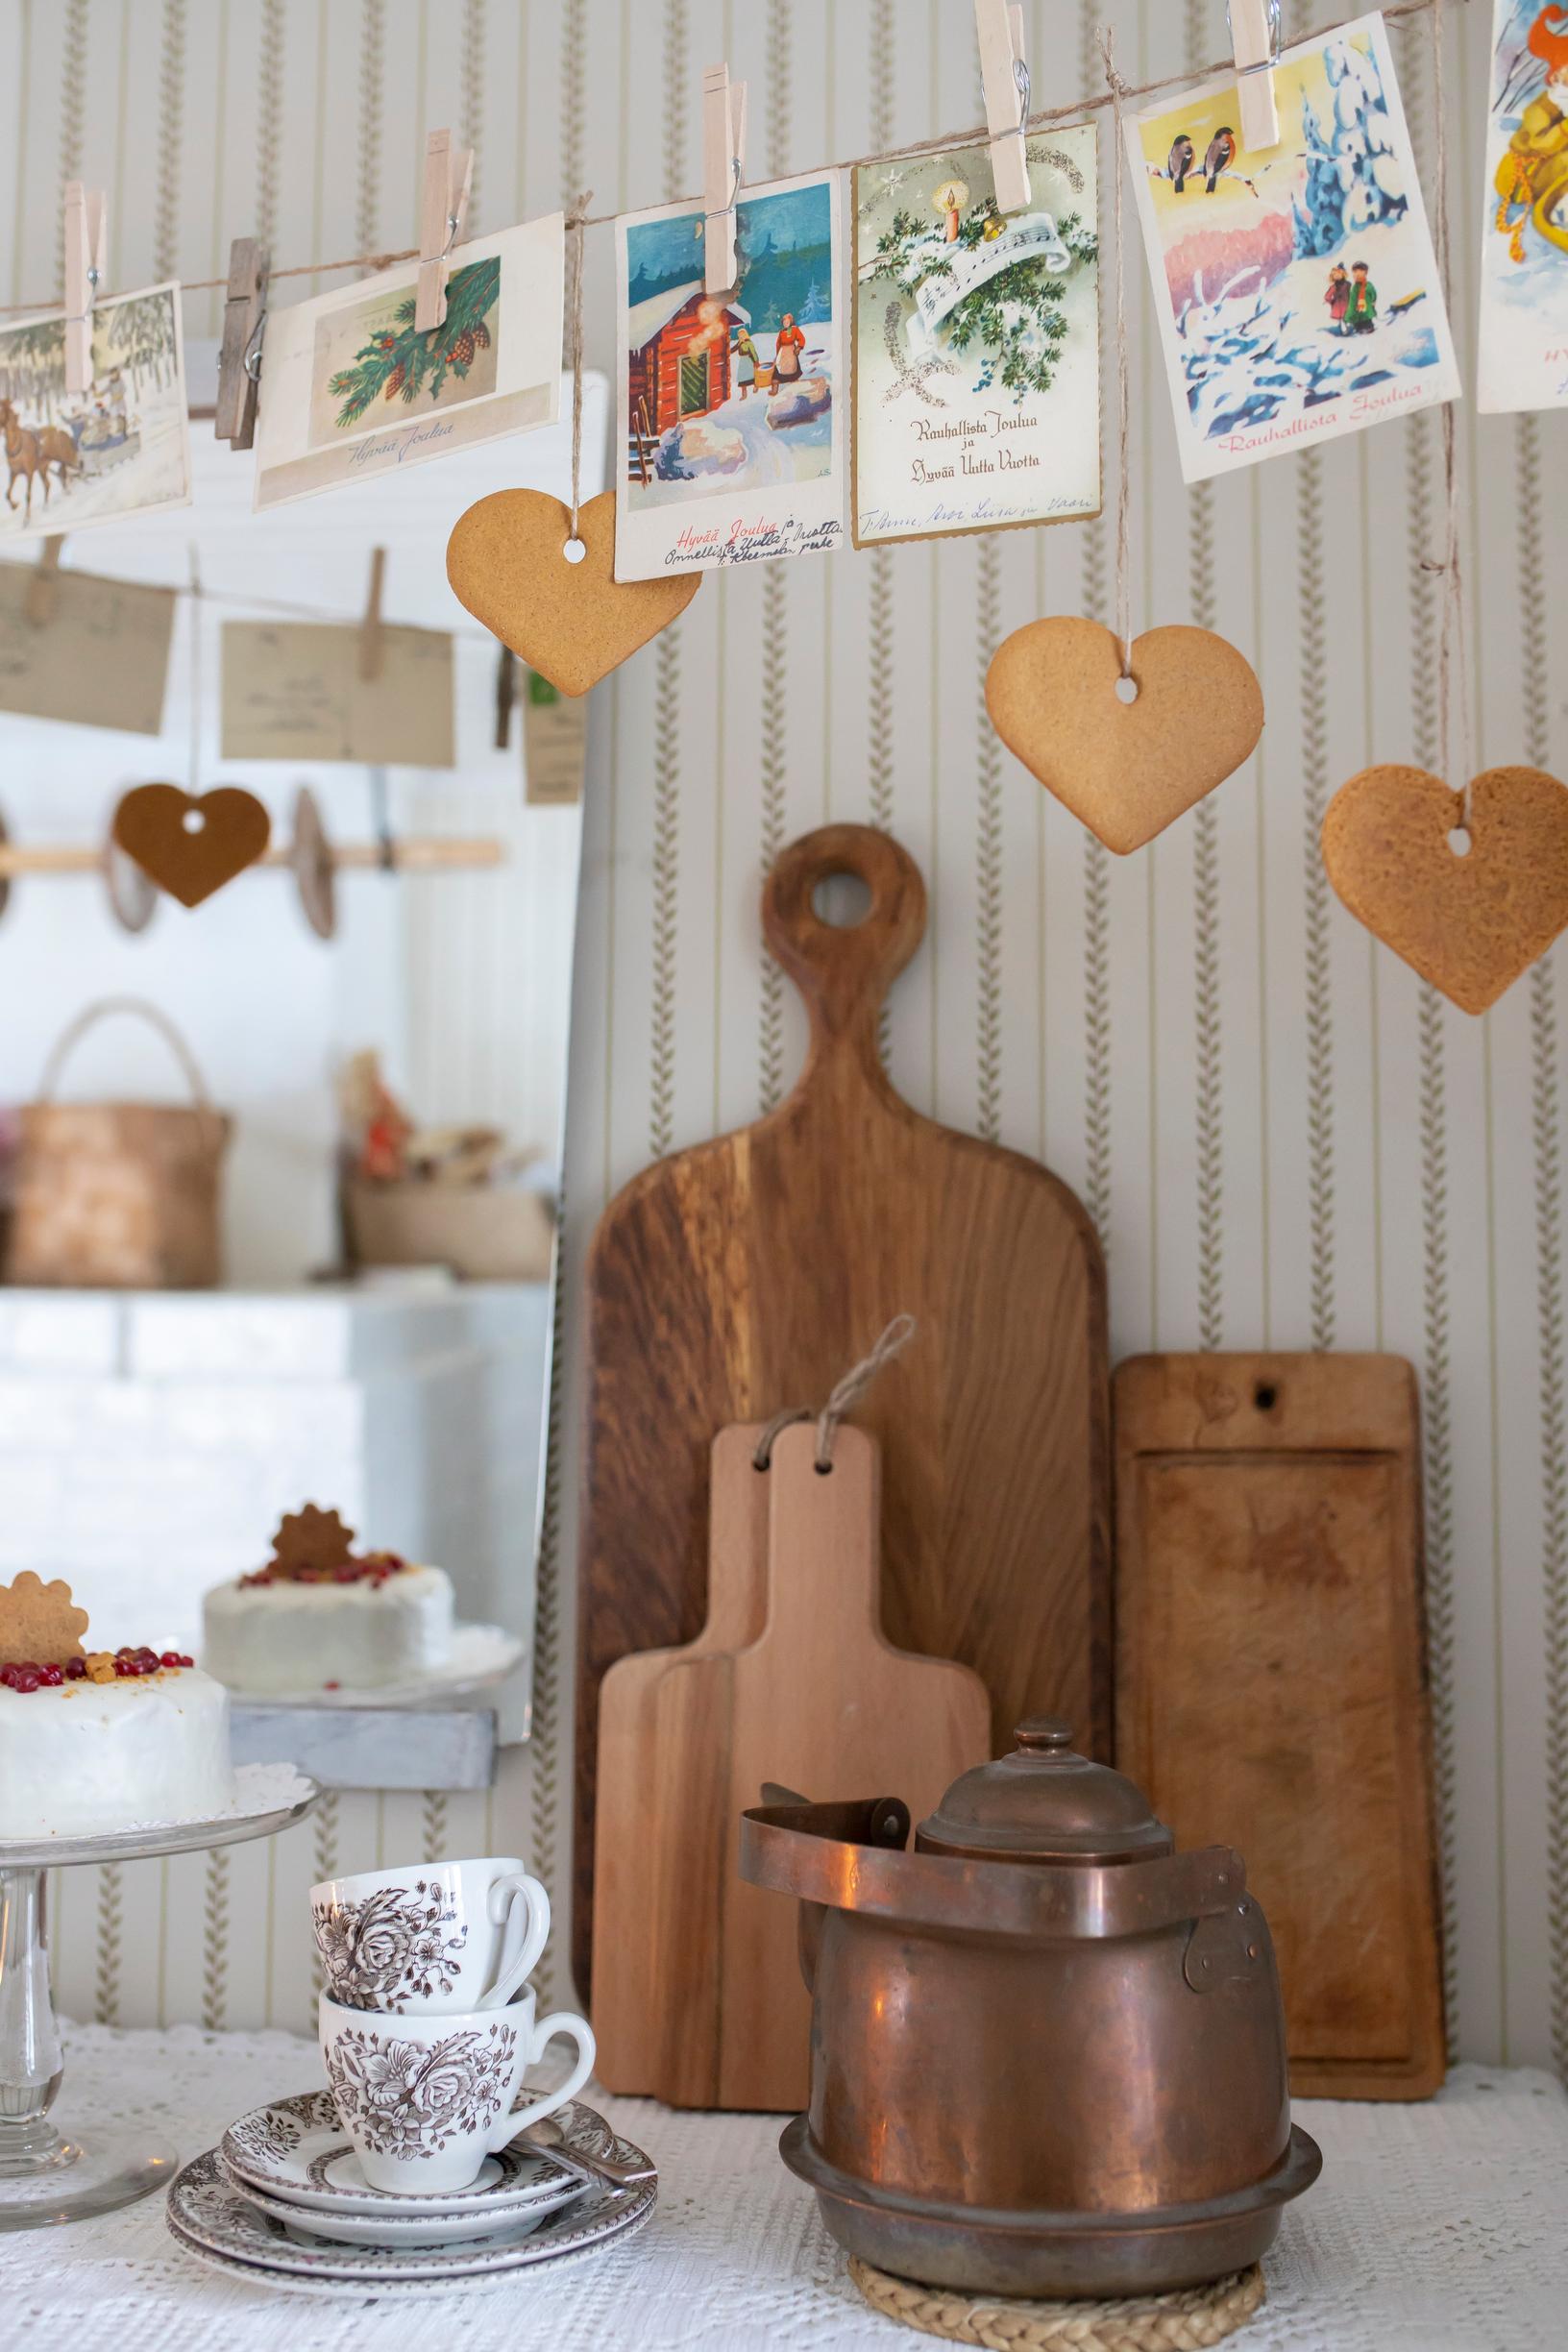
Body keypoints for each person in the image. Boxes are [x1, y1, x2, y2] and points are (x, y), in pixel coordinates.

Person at [769, 311, 806, 394]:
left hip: (791, 352)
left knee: (793, 370)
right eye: (784, 322)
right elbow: (778, 343)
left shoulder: (794, 329)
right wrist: (777, 354)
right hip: (783, 353)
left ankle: (796, 389)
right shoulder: (781, 332)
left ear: (791, 322)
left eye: (787, 322)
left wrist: (799, 347)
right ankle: (775, 390)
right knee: (777, 370)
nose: (785, 324)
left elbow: (801, 339)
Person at [1345, 260, 1378, 333]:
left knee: (1367, 320)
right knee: (1359, 322)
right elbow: (1352, 302)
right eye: (1355, 272)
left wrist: (1373, 302)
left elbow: (1373, 294)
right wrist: (1349, 314)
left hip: (1367, 312)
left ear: (1365, 273)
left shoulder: (1368, 285)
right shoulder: (1355, 288)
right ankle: (1360, 328)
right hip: (1358, 313)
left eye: (1361, 271)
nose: (1358, 274)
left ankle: (1369, 328)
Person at [733, 322, 759, 398]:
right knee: (742, 377)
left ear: (745, 335)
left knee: (751, 376)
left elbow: (753, 352)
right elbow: (733, 349)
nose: (740, 337)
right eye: (739, 335)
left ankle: (756, 386)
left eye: (742, 335)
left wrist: (756, 361)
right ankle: (744, 395)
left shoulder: (749, 343)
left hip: (749, 361)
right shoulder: (740, 343)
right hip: (742, 362)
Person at [1325, 262, 1351, 330]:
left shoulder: (1348, 284)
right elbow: (1327, 296)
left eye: (1338, 273)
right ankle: (1344, 327)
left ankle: (1346, 325)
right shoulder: (1334, 287)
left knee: (1346, 316)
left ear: (1343, 274)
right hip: (1338, 305)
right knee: (1342, 318)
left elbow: (1351, 292)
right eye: (1334, 274)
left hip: (1347, 304)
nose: (1336, 275)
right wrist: (1332, 302)